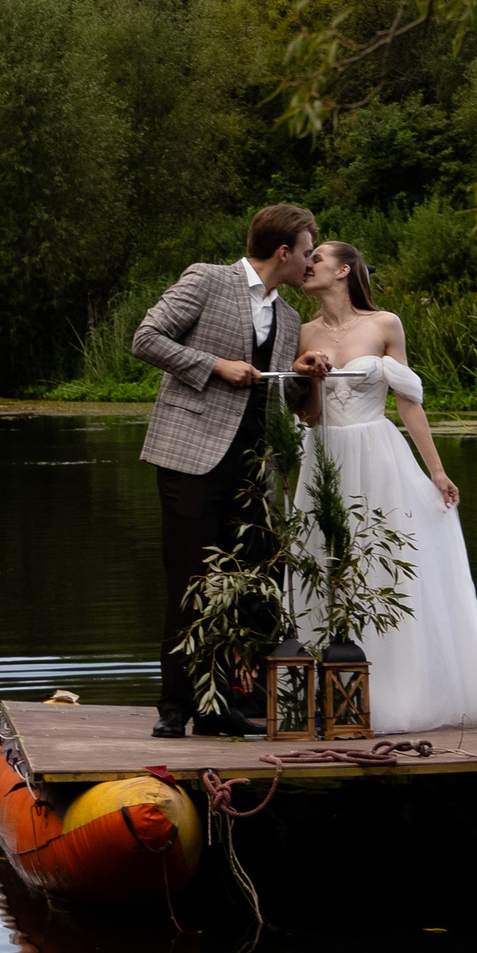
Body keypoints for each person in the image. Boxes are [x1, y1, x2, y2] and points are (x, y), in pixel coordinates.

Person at [293, 240, 477, 735]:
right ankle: (329, 691)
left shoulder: (385, 323)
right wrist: (313, 378)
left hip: (378, 455)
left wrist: (437, 472)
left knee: (382, 565)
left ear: (344, 270)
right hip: (323, 454)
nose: (307, 265)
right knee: (322, 563)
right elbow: (308, 416)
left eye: (317, 258)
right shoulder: (303, 332)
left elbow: (408, 402)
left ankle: (400, 694)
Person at [132, 203, 317, 740]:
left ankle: (218, 709)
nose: (310, 262)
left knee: (240, 586)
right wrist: (215, 365)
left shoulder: (289, 319)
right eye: (306, 252)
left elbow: (279, 394)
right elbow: (146, 338)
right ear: (283, 252)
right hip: (191, 457)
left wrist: (303, 375)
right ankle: (174, 706)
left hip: (253, 468)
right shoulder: (207, 280)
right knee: (190, 582)